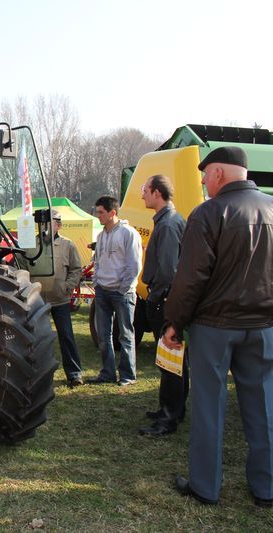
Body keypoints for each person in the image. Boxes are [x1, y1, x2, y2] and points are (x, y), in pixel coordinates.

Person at [162, 147, 273, 507]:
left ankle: (205, 487)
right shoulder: (272, 208)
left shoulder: (209, 213)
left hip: (215, 326)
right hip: (264, 326)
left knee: (210, 407)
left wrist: (174, 323)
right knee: (264, 408)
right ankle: (266, 489)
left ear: (220, 174)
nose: (204, 182)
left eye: (205, 175)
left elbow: (190, 278)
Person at [137, 175, 186, 437]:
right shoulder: (168, 221)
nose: (142, 195)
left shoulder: (167, 225)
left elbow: (168, 270)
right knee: (173, 361)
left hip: (165, 300)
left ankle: (169, 418)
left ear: (157, 193)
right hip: (167, 298)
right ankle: (173, 410)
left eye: (145, 190)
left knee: (170, 363)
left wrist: (155, 297)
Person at [87, 196, 142, 386]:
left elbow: (134, 265)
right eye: (97, 211)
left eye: (101, 212)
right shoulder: (101, 236)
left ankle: (127, 375)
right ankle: (108, 372)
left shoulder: (129, 233)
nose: (98, 215)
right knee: (103, 336)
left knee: (126, 335)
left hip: (122, 293)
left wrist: (123, 288)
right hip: (103, 291)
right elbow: (98, 261)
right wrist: (97, 283)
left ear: (113, 213)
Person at [38, 210, 84, 386]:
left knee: (66, 336)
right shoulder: (31, 244)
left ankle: (74, 374)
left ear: (58, 225)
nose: (46, 226)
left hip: (61, 300)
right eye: (43, 223)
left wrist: (68, 286)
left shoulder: (68, 245)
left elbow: (76, 269)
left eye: (50, 222)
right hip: (38, 302)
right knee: (38, 339)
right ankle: (39, 374)